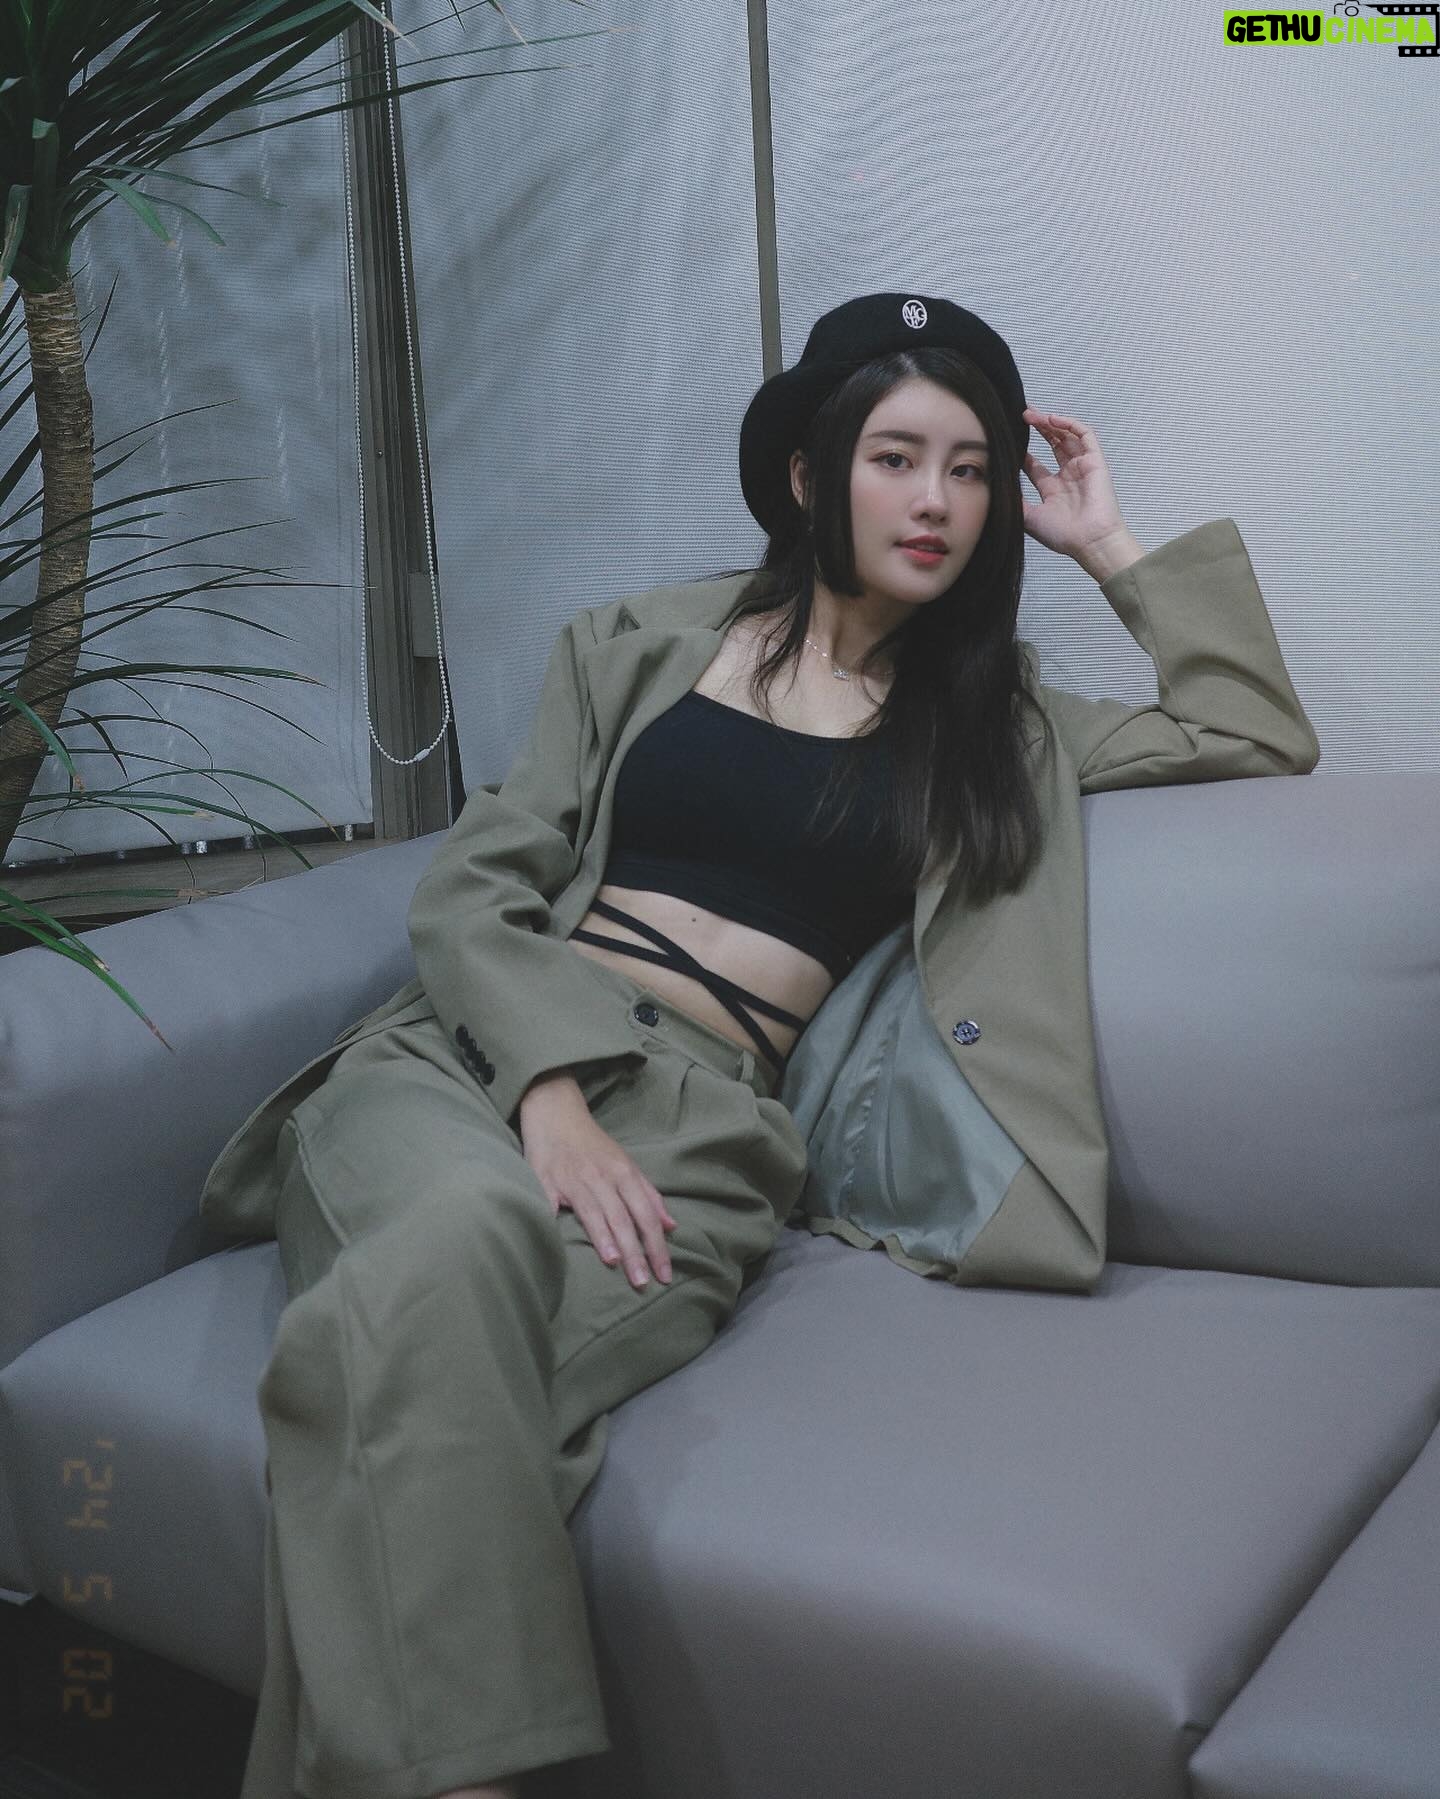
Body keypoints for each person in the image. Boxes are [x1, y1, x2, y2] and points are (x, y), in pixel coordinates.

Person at [200, 292, 1319, 1799]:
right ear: (808, 473)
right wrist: (549, 1095)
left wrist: (1105, 541)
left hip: (704, 1132)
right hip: (467, 1063)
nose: (937, 501)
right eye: (897, 457)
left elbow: (1252, 730)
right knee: (461, 1233)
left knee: (391, 1365)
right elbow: (474, 888)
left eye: (972, 470)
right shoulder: (635, 646)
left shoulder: (999, 728)